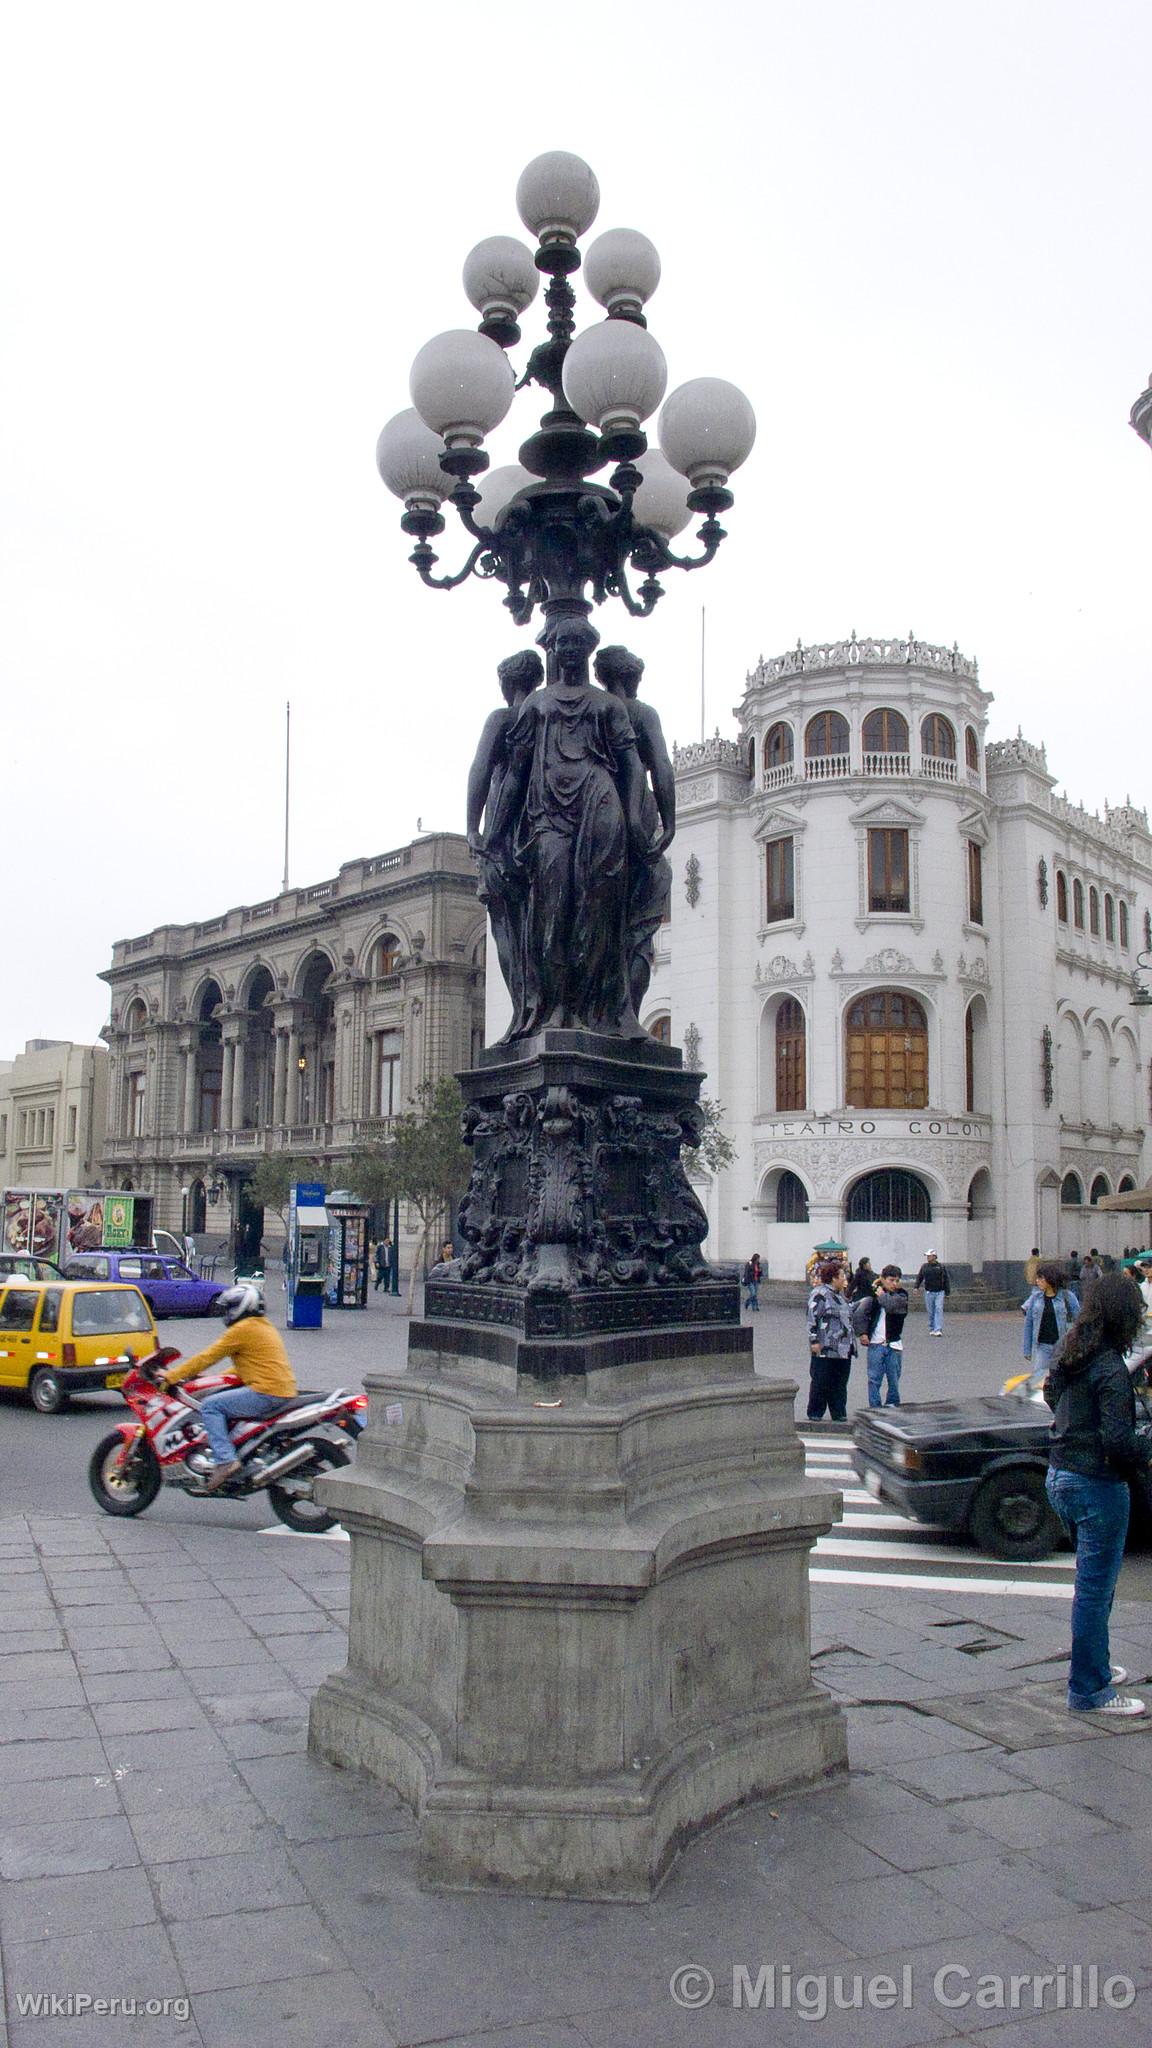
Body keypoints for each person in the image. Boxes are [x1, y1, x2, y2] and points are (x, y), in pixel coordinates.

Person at [1044, 1274, 1152, 1716]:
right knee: (1095, 1588)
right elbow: (1120, 1443)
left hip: (1061, 1476)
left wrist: (1077, 1430)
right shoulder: (1109, 1366)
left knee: (1093, 1585)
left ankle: (1096, 1666)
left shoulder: (1074, 1350)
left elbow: (1052, 1394)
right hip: (1097, 1485)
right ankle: (1089, 1689)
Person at [466, 648, 545, 1039]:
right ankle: (535, 1009)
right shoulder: (547, 719)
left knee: (508, 931)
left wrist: (472, 827)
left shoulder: (503, 719)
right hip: (542, 834)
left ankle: (523, 1011)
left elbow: (480, 771)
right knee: (538, 931)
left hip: (504, 833)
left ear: (509, 683)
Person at [595, 645, 675, 1015]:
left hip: (591, 817)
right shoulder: (641, 714)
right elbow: (660, 765)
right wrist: (669, 821)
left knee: (598, 924)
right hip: (635, 815)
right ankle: (626, 1014)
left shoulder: (590, 711)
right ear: (631, 678)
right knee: (639, 929)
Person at [160, 1285, 297, 1493]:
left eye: (229, 1308)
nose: (226, 1313)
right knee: (223, 1400)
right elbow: (249, 1364)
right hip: (279, 1389)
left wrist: (171, 1376)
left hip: (266, 1392)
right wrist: (213, 1379)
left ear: (242, 1307)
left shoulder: (242, 1329)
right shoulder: (263, 1326)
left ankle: (225, 1460)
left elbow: (207, 1357)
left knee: (211, 1406)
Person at [806, 1260, 856, 1421]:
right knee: (821, 1380)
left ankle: (839, 1411)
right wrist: (813, 1340)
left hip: (843, 1348)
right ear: (833, 1278)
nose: (844, 1280)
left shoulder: (840, 1296)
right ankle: (815, 1412)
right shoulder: (820, 1294)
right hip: (826, 1346)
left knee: (840, 1382)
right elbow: (812, 1318)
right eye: (842, 1276)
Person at [856, 1265, 910, 1407]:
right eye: (891, 1280)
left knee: (893, 1379)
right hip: (875, 1343)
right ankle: (875, 1406)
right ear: (883, 1279)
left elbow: (891, 1305)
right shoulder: (872, 1296)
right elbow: (860, 1313)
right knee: (874, 1379)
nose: (894, 1284)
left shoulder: (902, 1295)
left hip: (893, 1344)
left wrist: (881, 1295)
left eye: (897, 1280)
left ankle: (892, 1404)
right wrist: (862, 1333)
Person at [1021, 1262, 1079, 1375]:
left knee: (1063, 1377)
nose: (1037, 1281)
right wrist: (1027, 1349)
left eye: (1040, 1278)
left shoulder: (1067, 1296)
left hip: (1063, 1347)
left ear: (1050, 1279)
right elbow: (1029, 1323)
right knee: (1038, 1378)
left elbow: (1079, 1321)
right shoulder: (1035, 1298)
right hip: (1042, 1346)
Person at [913, 1249, 951, 1336]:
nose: (928, 1258)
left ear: (934, 1256)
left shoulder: (941, 1267)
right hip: (929, 1292)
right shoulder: (924, 1267)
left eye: (929, 1256)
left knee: (938, 1309)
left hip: (939, 1292)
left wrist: (947, 1292)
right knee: (931, 1311)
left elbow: (946, 1280)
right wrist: (916, 1287)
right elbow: (920, 1277)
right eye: (927, 1256)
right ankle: (932, 1327)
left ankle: (938, 1328)